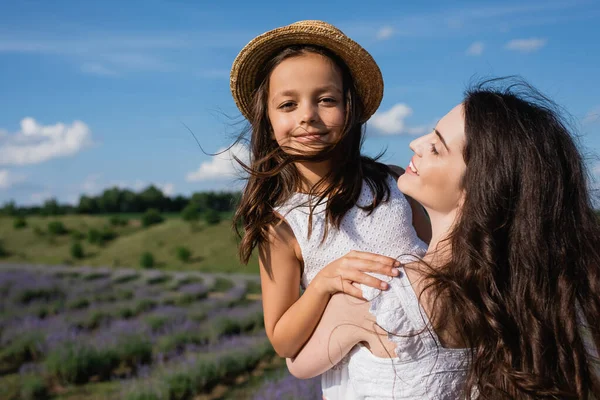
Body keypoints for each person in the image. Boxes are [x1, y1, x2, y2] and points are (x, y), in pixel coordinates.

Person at [287, 79, 600, 399]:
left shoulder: (374, 296)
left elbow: (296, 363)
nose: (415, 144)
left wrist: (323, 280)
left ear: (476, 189)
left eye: (435, 147)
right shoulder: (526, 300)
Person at [230, 20, 431, 399]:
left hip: (438, 360)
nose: (308, 115)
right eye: (288, 104)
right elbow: (283, 339)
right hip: (366, 384)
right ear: (268, 122)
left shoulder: (392, 183)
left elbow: (438, 253)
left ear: (350, 108)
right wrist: (323, 284)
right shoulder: (281, 225)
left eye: (326, 100)